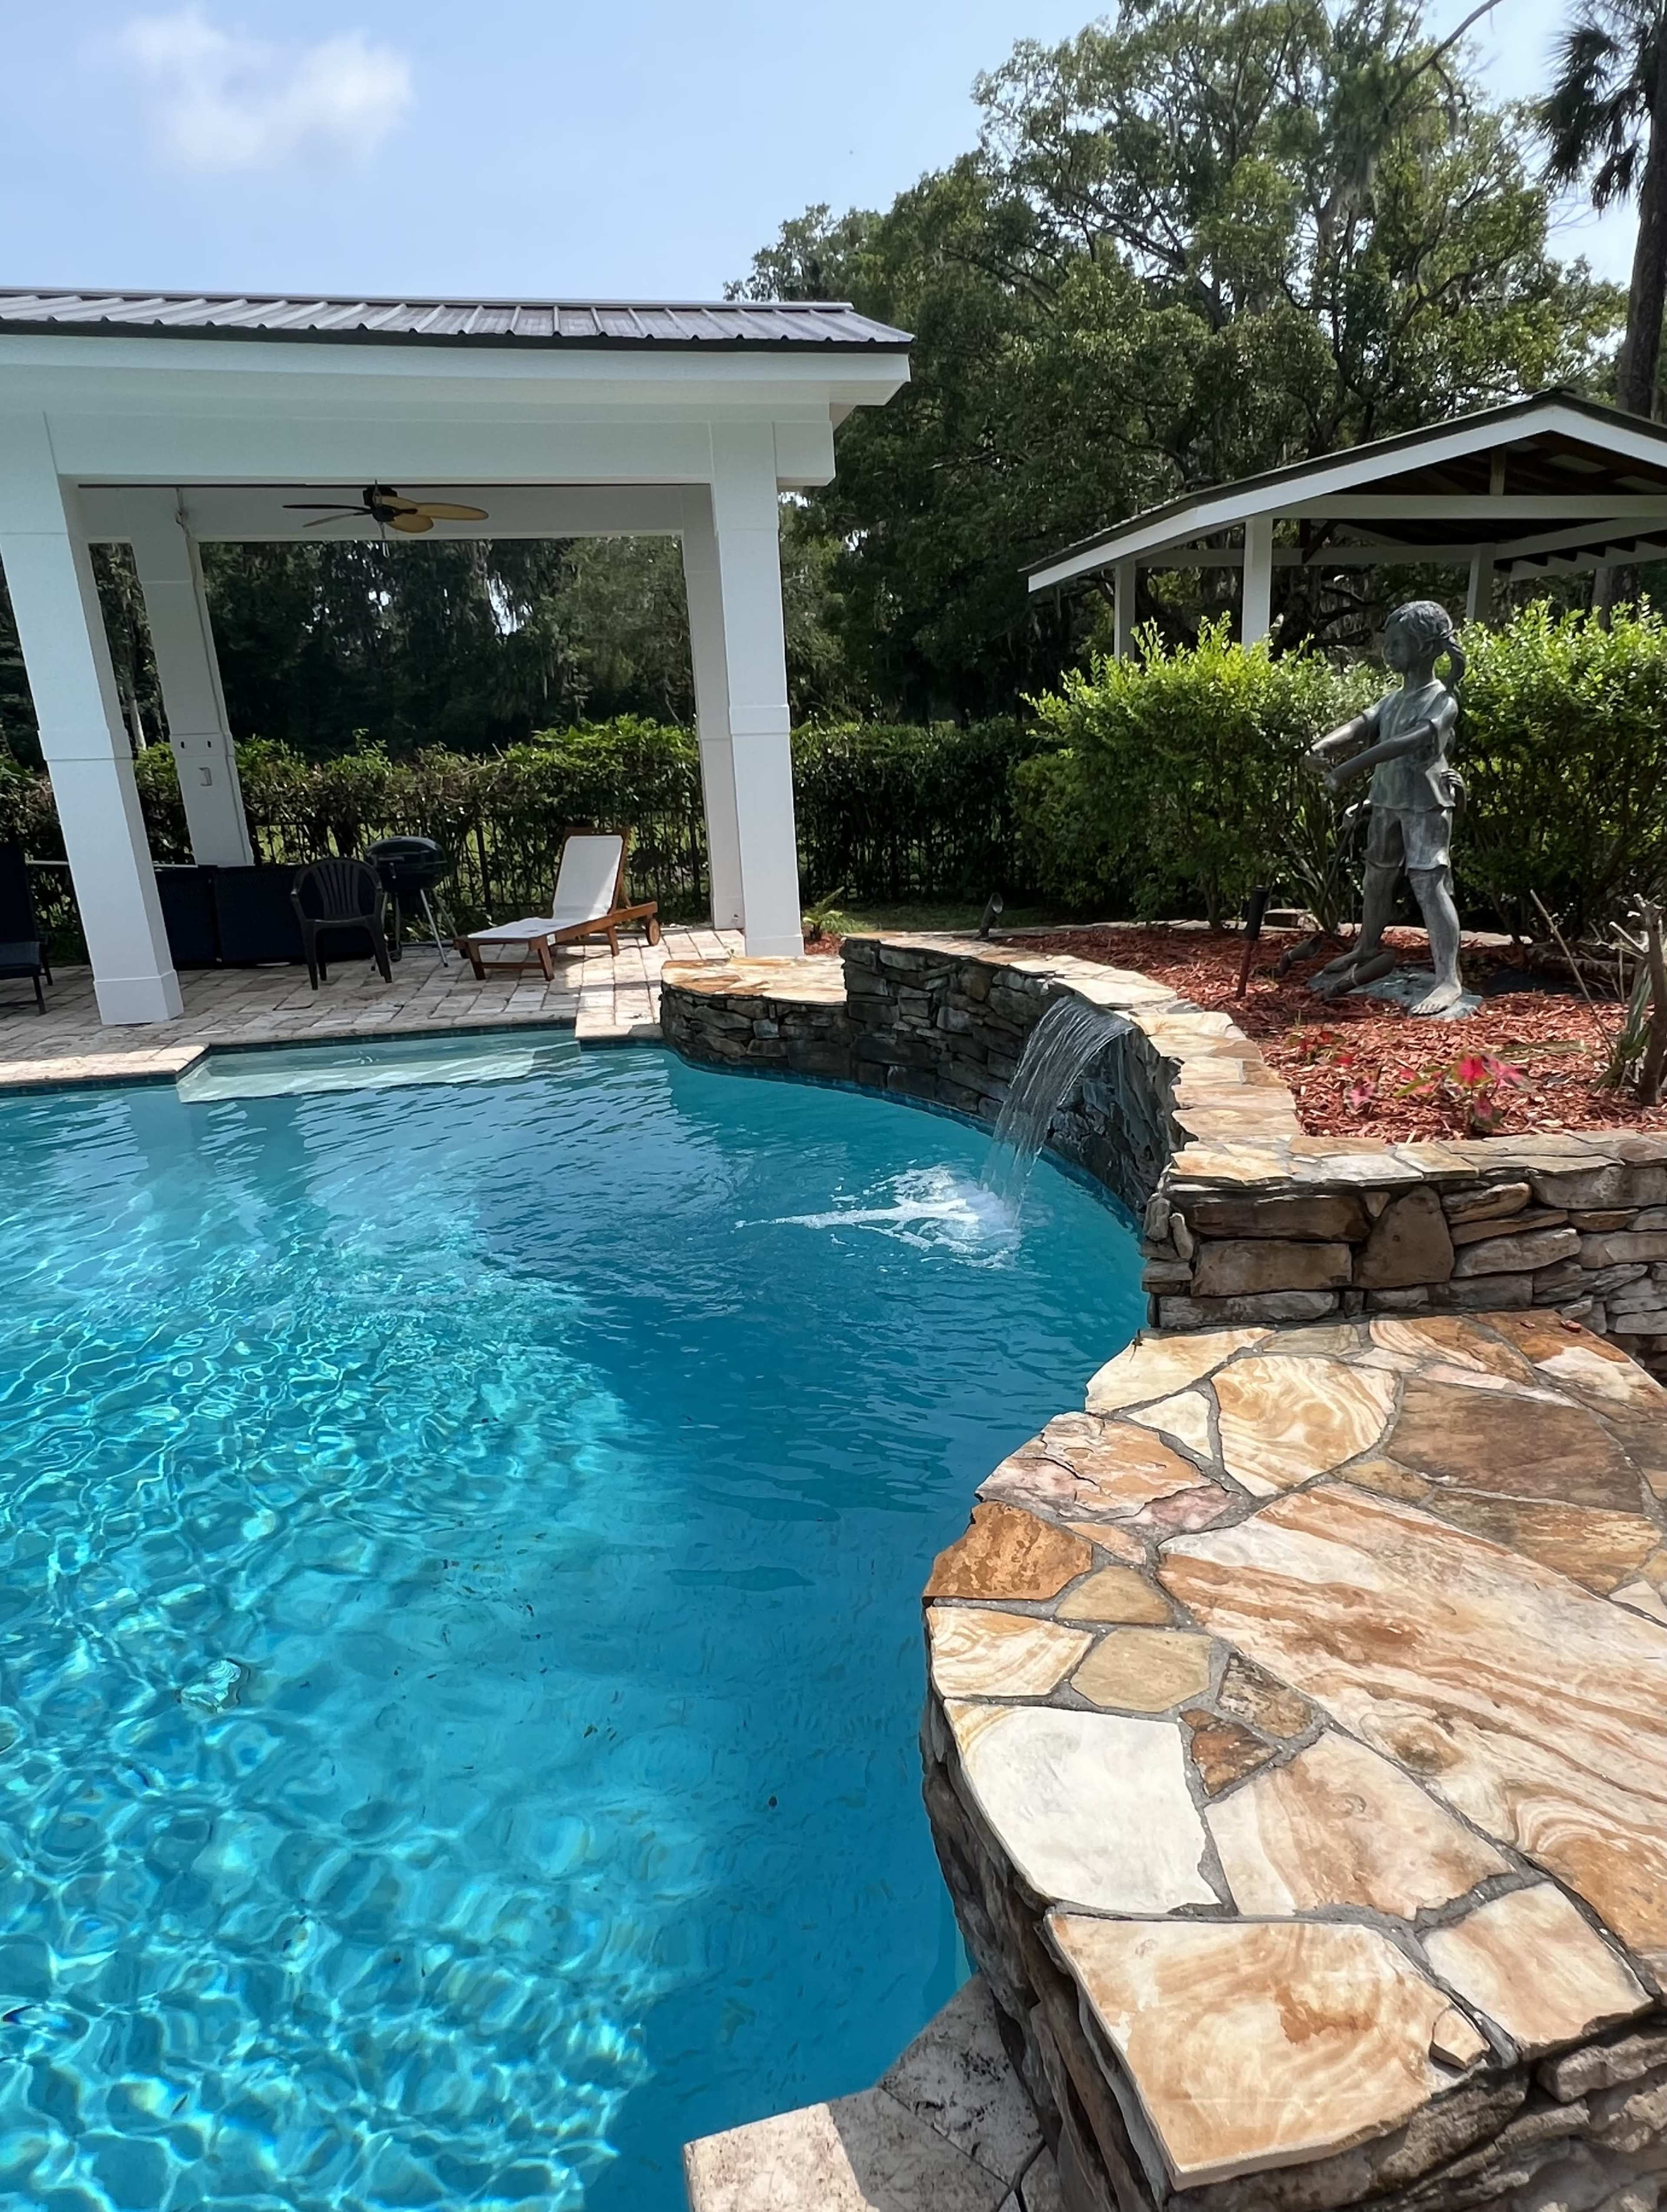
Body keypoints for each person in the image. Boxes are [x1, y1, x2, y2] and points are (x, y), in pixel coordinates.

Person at [1304, 599, 1466, 1018]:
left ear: (1428, 648)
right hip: (1387, 800)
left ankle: (1449, 976)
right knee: (1377, 877)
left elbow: (1407, 743)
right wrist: (1323, 745)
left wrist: (1347, 769)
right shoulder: (1393, 699)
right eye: (1388, 642)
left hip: (1425, 802)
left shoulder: (1441, 700)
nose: (1388, 650)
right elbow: (1362, 725)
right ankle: (1367, 947)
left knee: (1429, 883)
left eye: (1398, 643)